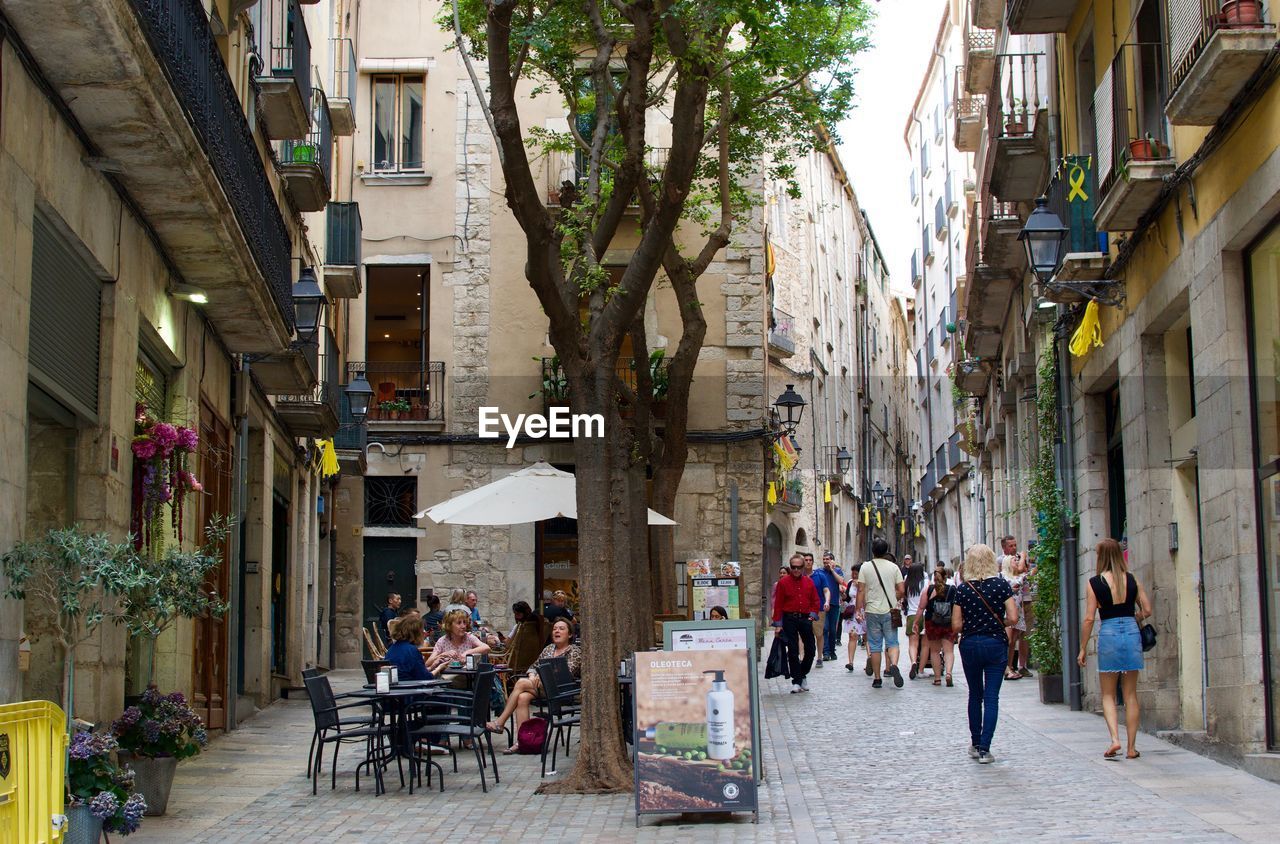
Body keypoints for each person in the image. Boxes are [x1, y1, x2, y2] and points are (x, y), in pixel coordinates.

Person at [1079, 538, 1151, 760]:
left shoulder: (1095, 582)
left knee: (1108, 694)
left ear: (1100, 557)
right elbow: (1147, 609)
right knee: (1130, 694)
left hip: (1109, 633)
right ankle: (1131, 748)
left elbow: (1090, 618)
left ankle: (1114, 740)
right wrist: (1133, 617)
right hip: (1130, 631)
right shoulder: (1131, 579)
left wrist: (1082, 648)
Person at [953, 543, 1019, 764]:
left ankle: (974, 742)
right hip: (995, 643)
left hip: (970, 643)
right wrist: (998, 621)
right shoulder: (1001, 586)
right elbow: (1013, 617)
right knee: (991, 697)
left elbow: (956, 625)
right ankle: (985, 749)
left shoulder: (962, 589)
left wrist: (973, 623)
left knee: (975, 694)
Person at [486, 617, 581, 752]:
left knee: (521, 683)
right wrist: (532, 674)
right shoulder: (548, 649)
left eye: (561, 629)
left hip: (560, 691)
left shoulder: (574, 651)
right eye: (554, 629)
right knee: (522, 697)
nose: (556, 631)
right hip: (542, 688)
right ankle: (523, 742)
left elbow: (566, 674)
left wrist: (540, 676)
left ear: (570, 634)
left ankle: (500, 722)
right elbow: (533, 666)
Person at [857, 537, 905, 688]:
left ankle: (877, 678)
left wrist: (859, 610)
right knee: (892, 642)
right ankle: (894, 665)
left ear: (873, 551)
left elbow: (861, 590)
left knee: (875, 645)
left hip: (872, 610)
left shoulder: (865, 567)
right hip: (890, 610)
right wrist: (892, 598)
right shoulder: (894, 567)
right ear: (886, 550)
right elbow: (902, 590)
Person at [772, 552, 820, 693]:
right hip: (789, 618)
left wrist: (812, 615)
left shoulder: (809, 582)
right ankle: (797, 680)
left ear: (803, 567)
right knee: (792, 651)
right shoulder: (783, 583)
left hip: (805, 618)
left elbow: (815, 601)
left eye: (799, 567)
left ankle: (802, 674)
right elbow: (779, 604)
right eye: (793, 567)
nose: (796, 570)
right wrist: (778, 624)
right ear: (790, 567)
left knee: (811, 649)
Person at [916, 568, 956, 686]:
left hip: (932, 623)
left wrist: (915, 622)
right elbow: (958, 607)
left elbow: (921, 607)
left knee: (934, 651)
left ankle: (937, 678)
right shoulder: (952, 590)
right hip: (949, 623)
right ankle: (948, 673)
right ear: (945, 578)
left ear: (934, 578)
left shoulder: (928, 590)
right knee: (949, 651)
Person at [425, 609, 491, 674]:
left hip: (467, 678)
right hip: (447, 678)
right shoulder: (442, 641)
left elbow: (486, 648)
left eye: (464, 622)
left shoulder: (469, 637)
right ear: (450, 625)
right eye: (459, 623)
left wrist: (467, 653)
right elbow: (427, 664)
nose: (463, 626)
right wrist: (442, 655)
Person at [1001, 552, 1030, 681]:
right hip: (1008, 612)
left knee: (1013, 640)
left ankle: (1010, 665)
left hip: (1018, 611)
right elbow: (1023, 576)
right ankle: (1005, 667)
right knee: (1007, 640)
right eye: (1014, 561)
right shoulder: (1005, 577)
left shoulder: (1017, 577)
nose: (1017, 563)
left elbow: (1025, 574)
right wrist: (1023, 557)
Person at [383, 613, 433, 681]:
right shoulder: (412, 651)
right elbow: (425, 678)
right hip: (409, 688)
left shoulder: (392, 648)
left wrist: (434, 665)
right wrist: (439, 668)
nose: (424, 633)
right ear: (416, 633)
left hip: (396, 687)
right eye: (422, 631)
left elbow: (418, 671)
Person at [505, 601, 550, 674]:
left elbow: (507, 644)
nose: (516, 617)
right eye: (515, 614)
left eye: (517, 614)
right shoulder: (539, 624)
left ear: (524, 613)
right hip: (533, 660)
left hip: (517, 663)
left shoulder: (520, 627)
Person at [805, 553, 832, 668]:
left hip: (818, 609)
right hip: (803, 610)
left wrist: (827, 601)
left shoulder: (820, 575)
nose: (808, 562)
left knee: (819, 634)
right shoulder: (799, 576)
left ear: (813, 561)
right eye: (806, 560)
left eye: (810, 560)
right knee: (802, 635)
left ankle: (819, 657)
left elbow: (826, 590)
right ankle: (802, 657)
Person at [902, 561, 928, 679]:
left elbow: (903, 596)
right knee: (925, 645)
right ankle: (921, 670)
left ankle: (913, 662)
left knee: (913, 644)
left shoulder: (907, 582)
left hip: (912, 615)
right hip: (925, 615)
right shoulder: (927, 582)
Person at [843, 563, 867, 672]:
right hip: (852, 611)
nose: (854, 576)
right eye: (852, 573)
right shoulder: (849, 583)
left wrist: (860, 588)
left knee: (867, 637)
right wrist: (844, 596)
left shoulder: (866, 583)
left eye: (856, 574)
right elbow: (847, 597)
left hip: (864, 611)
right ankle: (850, 662)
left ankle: (870, 661)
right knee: (852, 636)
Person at [821, 551, 844, 660]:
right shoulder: (820, 572)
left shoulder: (837, 571)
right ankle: (825, 652)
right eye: (824, 559)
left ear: (832, 561)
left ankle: (832, 650)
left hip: (834, 603)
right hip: (823, 604)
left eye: (827, 559)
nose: (825, 561)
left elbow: (841, 581)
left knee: (832, 629)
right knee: (825, 628)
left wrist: (832, 570)